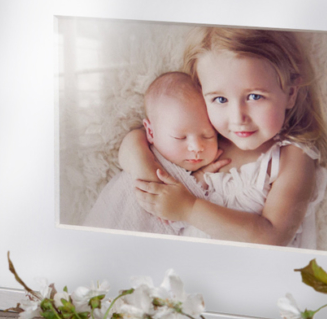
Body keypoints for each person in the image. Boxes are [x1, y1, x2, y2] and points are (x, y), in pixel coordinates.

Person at [125, 27, 327, 248]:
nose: (237, 118)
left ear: (290, 93)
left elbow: (273, 236)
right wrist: (150, 177)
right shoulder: (204, 139)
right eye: (220, 99)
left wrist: (188, 208)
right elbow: (135, 139)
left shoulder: (293, 155)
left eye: (254, 96)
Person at [82, 72, 229, 234]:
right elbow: (128, 150)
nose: (196, 147)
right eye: (180, 137)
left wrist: (198, 180)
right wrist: (144, 169)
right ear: (151, 132)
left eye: (208, 136)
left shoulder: (214, 169)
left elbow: (184, 210)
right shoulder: (147, 150)